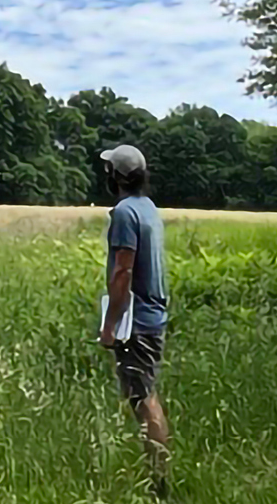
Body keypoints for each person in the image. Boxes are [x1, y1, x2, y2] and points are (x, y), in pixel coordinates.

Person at [96, 144, 172, 497]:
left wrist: (110, 325)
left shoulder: (125, 213)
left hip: (137, 320)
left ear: (117, 177)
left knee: (144, 398)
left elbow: (123, 271)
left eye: (109, 168)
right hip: (152, 315)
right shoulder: (148, 208)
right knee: (143, 395)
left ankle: (159, 482)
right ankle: (157, 474)